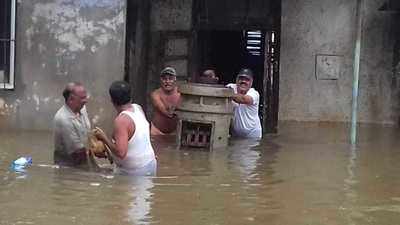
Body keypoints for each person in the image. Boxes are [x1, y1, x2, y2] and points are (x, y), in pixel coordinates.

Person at [94, 81, 156, 175]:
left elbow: (121, 153)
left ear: (112, 100)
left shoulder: (121, 121)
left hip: (135, 171)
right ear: (130, 97)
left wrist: (104, 138)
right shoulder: (138, 108)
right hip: (150, 163)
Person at [53, 82, 91, 166]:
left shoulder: (82, 107)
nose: (86, 101)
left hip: (84, 158)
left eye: (85, 97)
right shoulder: (63, 119)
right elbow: (78, 152)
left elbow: (88, 134)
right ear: (71, 99)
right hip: (68, 166)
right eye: (82, 98)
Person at [226, 68, 262, 139]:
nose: (243, 81)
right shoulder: (231, 87)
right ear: (236, 79)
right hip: (235, 134)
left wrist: (228, 94)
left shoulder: (254, 93)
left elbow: (244, 99)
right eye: (241, 78)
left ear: (251, 82)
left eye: (247, 80)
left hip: (252, 134)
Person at [150, 66, 181, 136]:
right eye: (164, 79)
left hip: (175, 132)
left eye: (170, 79)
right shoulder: (155, 94)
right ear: (161, 80)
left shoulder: (181, 94)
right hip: (157, 131)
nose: (167, 82)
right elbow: (166, 112)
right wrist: (173, 110)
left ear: (175, 80)